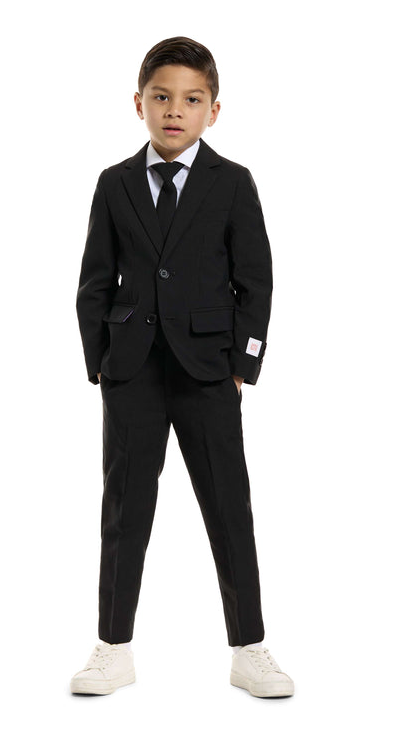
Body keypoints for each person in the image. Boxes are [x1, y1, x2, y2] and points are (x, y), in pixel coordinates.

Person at [70, 36, 294, 699]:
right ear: (138, 103)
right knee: (124, 510)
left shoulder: (232, 183)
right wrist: (101, 364)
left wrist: (242, 366)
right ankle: (113, 648)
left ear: (213, 111)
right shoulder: (114, 183)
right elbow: (93, 282)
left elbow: (256, 280)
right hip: (132, 371)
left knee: (229, 508)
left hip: (208, 370)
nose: (175, 110)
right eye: (162, 97)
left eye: (192, 99)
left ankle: (249, 648)